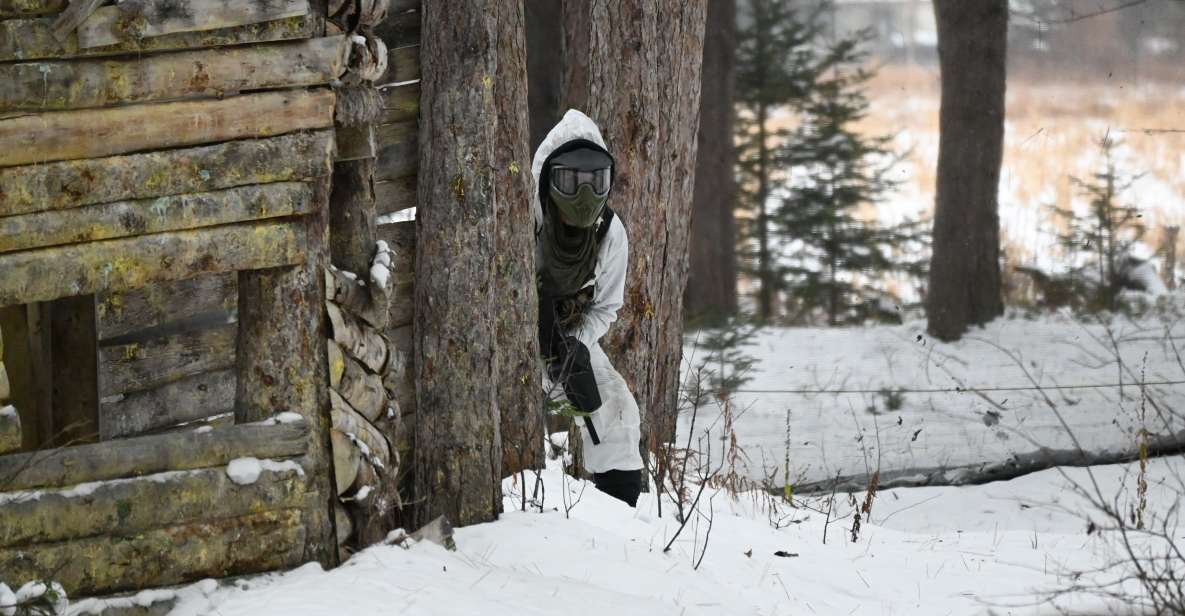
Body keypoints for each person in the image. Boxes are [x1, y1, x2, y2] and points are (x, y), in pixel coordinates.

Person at [532, 109, 644, 507]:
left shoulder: (610, 232)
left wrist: (573, 348)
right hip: (505, 335)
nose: (583, 195)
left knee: (614, 409)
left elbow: (606, 307)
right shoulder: (525, 217)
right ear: (549, 178)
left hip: (564, 335)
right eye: (570, 181)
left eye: (594, 182)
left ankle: (620, 515)